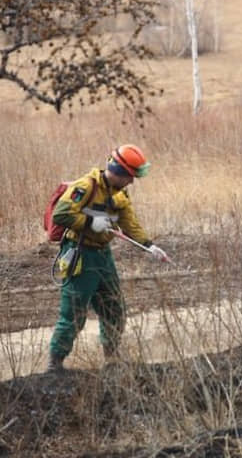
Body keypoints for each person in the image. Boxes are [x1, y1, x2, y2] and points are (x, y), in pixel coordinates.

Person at [47, 144, 169, 372]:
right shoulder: (86, 186)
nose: (132, 182)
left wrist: (149, 245)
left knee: (114, 309)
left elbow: (129, 224)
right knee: (73, 313)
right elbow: (61, 213)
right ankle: (55, 365)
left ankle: (112, 359)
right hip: (80, 255)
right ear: (120, 172)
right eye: (130, 177)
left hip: (104, 256)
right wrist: (89, 222)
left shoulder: (120, 193)